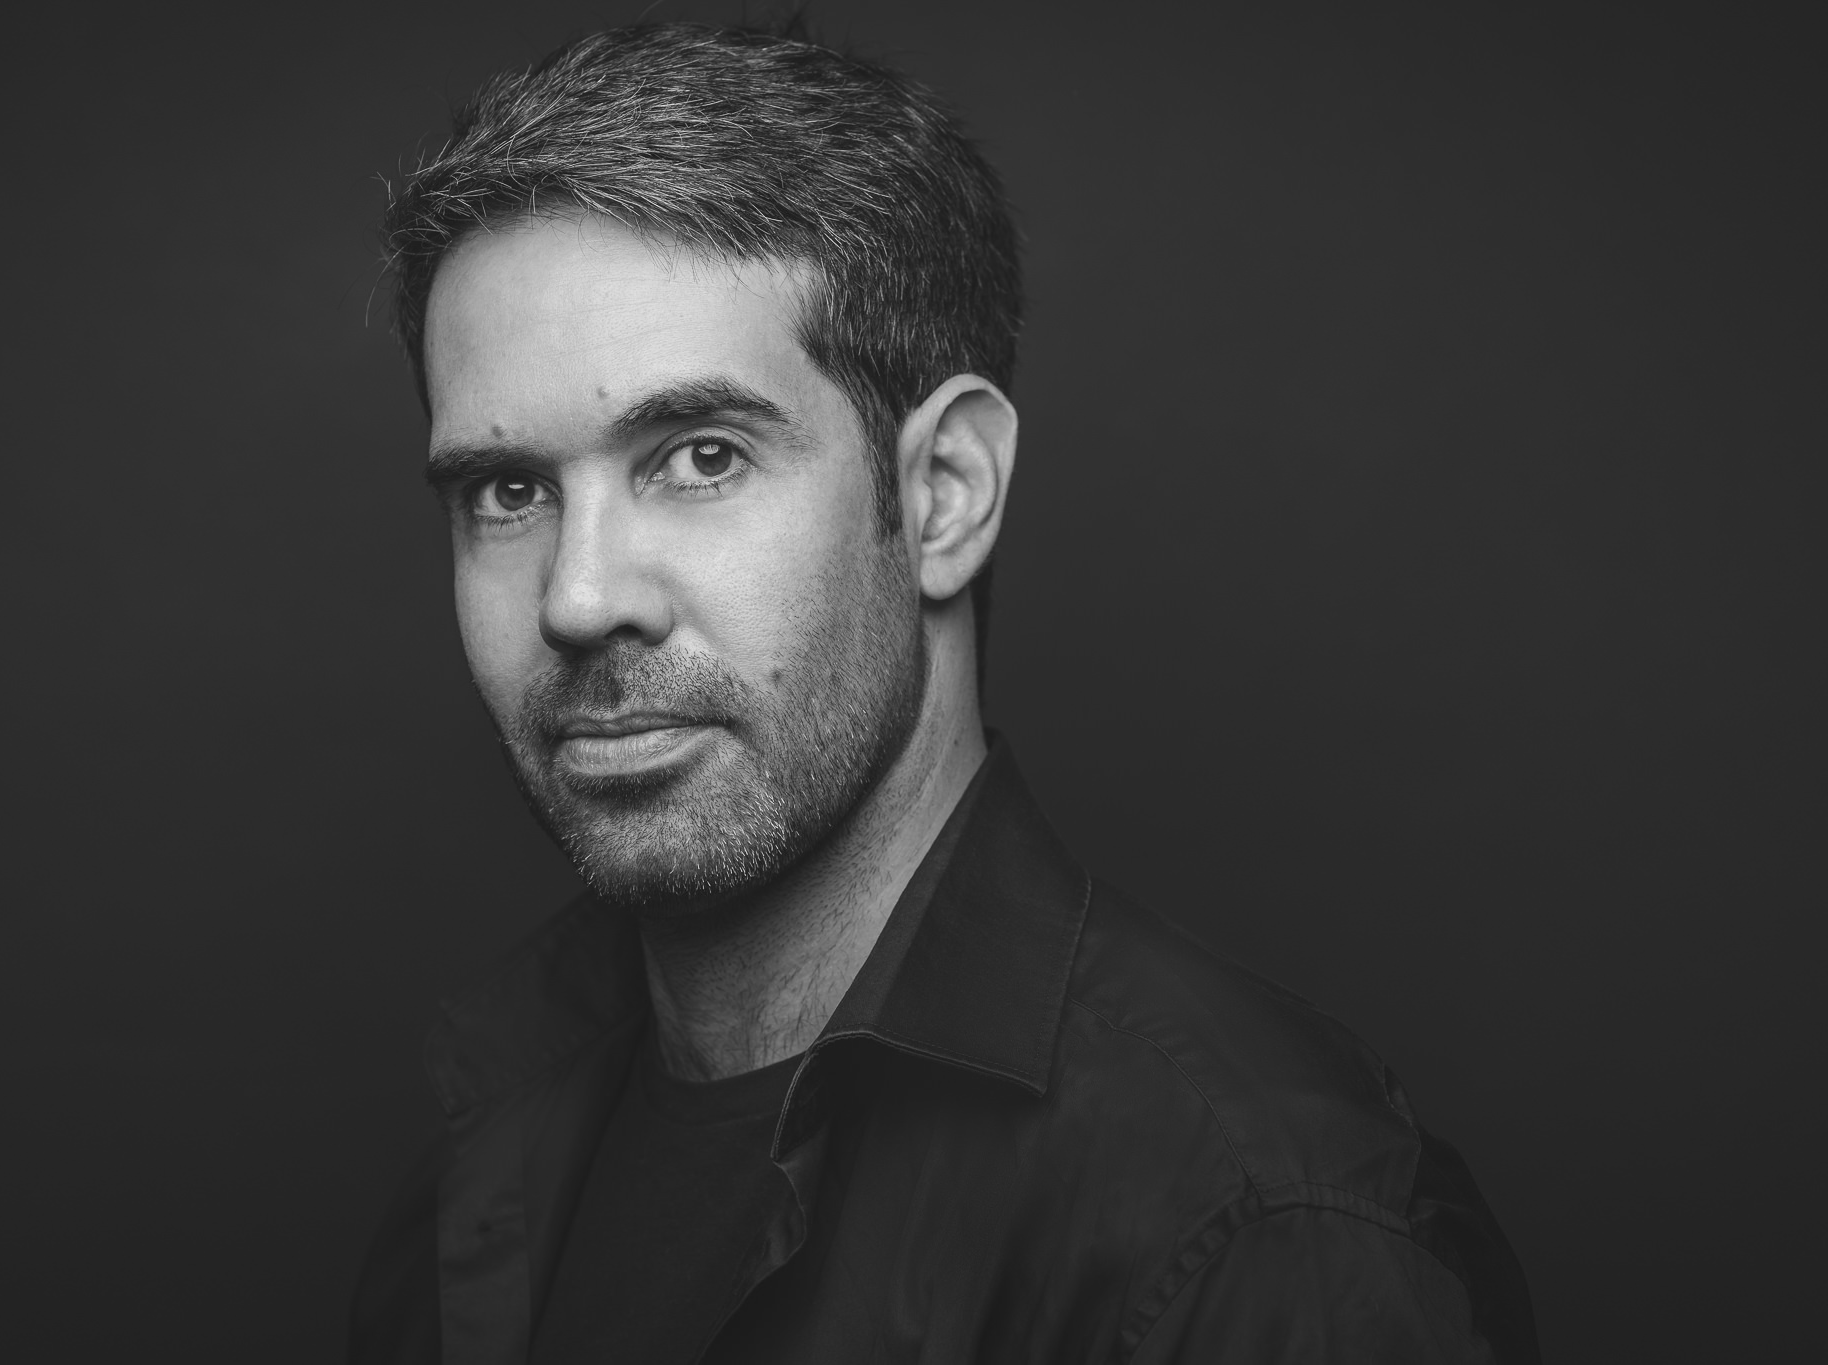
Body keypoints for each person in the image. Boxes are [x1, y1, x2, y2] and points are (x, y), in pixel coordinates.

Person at [351, 21, 1538, 1365]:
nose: (577, 598)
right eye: (507, 490)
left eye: (700, 456)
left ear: (945, 494)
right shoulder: (476, 1178)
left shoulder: (1262, 1233)